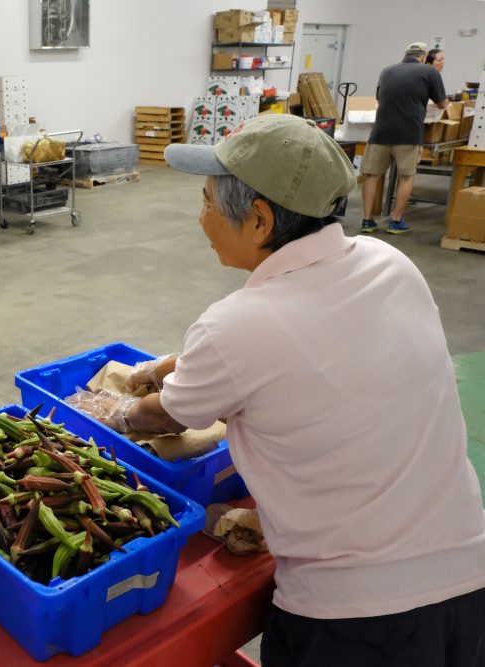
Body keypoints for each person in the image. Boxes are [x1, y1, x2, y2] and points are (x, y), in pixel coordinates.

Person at [74, 115, 485, 667]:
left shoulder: (237, 326)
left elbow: (164, 418)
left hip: (358, 622)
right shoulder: (390, 263)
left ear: (260, 219)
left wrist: (110, 409)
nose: (201, 219)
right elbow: (308, 348)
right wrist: (172, 362)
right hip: (467, 580)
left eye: (206, 202)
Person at [359, 41, 448, 235]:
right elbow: (442, 104)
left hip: (380, 131)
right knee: (405, 177)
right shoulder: (429, 72)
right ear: (424, 57)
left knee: (372, 175)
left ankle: (367, 220)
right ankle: (396, 221)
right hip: (409, 134)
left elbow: (379, 98)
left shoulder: (387, 70)